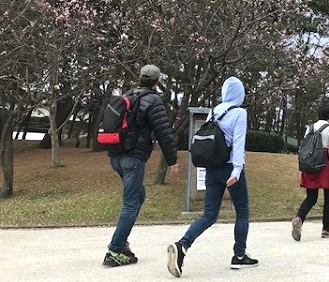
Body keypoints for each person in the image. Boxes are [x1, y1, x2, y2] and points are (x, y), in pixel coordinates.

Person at [167, 76, 257, 278]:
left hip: (211, 168)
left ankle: (182, 245)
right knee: (242, 211)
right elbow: (239, 143)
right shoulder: (239, 113)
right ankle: (239, 256)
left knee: (208, 215)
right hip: (229, 169)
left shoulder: (214, 111)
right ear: (240, 94)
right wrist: (236, 171)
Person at [103, 64, 179, 267]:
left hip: (116, 157)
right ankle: (115, 250)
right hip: (133, 160)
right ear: (156, 82)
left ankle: (121, 242)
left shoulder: (128, 95)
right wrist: (173, 161)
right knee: (131, 203)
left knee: (139, 196)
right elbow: (164, 132)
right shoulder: (153, 100)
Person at [291, 103, 329, 241]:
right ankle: (327, 229)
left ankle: (299, 218)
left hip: (311, 163)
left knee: (311, 197)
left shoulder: (309, 128)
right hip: (325, 163)